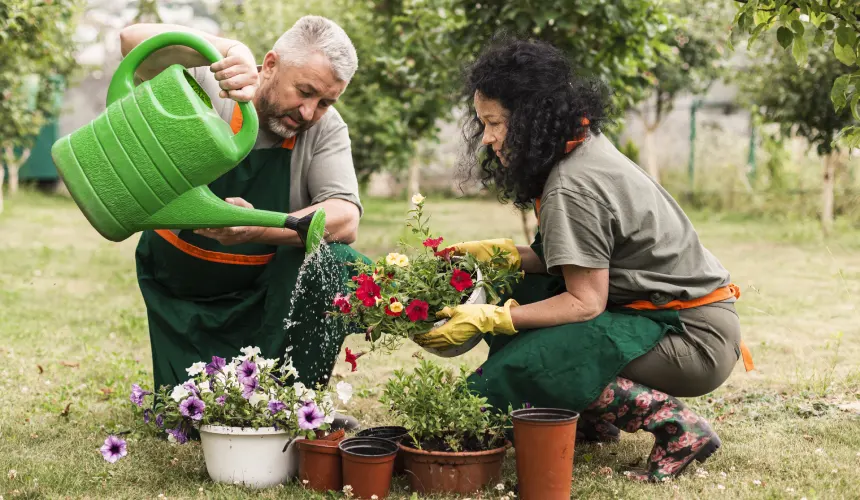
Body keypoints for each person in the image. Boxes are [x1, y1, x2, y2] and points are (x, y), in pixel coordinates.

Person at [414, 38, 754, 481]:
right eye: (483, 123)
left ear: (533, 119)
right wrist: (501, 256)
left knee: (537, 357)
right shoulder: (583, 143)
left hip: (692, 341)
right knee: (527, 291)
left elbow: (585, 303)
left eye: (495, 123)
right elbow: (569, 262)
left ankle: (679, 429)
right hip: (670, 319)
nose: (488, 138)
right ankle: (593, 419)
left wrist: (491, 318)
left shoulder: (572, 186)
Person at [121, 17, 366, 428]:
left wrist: (256, 227)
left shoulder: (325, 130)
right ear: (269, 64)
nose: (309, 112)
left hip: (262, 302)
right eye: (304, 92)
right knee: (199, 423)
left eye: (325, 102)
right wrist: (231, 47)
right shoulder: (216, 81)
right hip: (183, 296)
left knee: (333, 260)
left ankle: (296, 404)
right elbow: (132, 40)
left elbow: (344, 218)